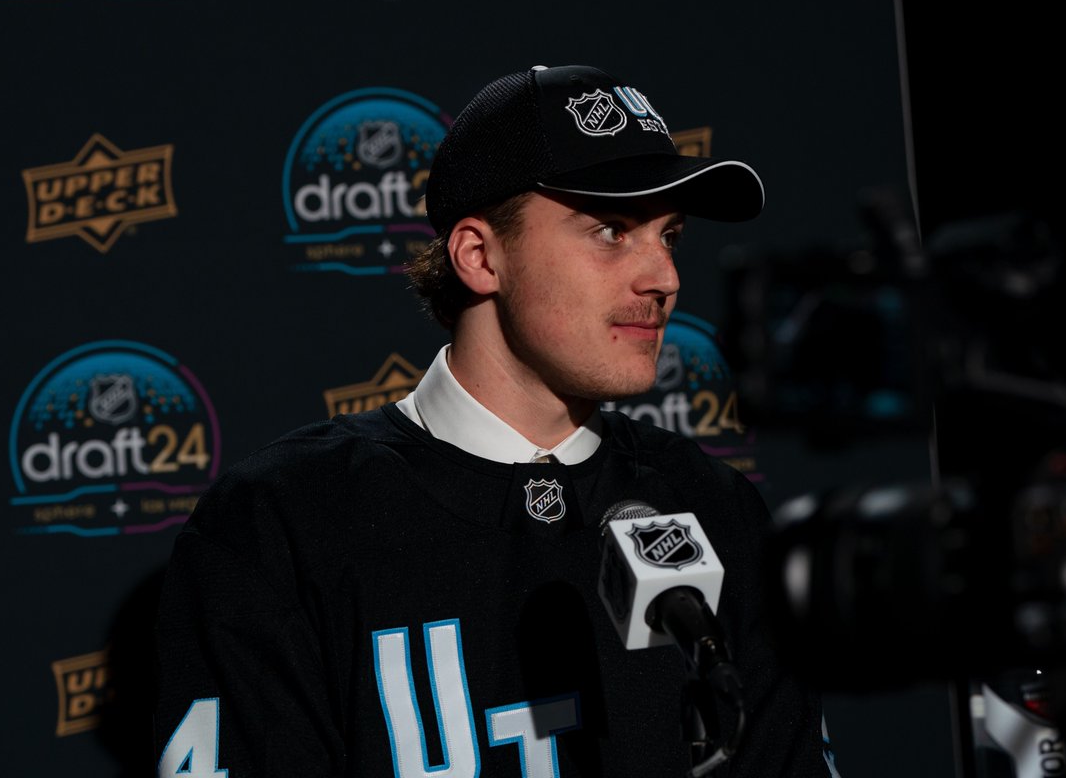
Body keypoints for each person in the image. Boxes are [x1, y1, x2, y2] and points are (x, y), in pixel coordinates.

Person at [153, 64, 837, 777]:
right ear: (480, 256)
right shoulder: (281, 523)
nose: (662, 276)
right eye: (610, 230)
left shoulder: (717, 508)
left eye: (669, 235)